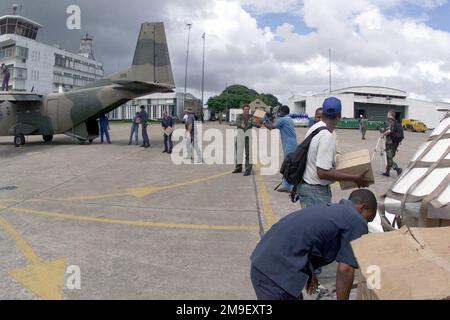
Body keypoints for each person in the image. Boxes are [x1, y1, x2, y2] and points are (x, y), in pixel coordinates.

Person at [250, 189, 377, 300]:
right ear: (362, 208)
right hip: (273, 275)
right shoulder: (356, 220)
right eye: (368, 219)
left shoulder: (333, 211)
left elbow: (306, 239)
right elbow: (345, 270)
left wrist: (309, 272)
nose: (365, 224)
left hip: (265, 261)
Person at [298, 97, 370, 208]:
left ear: (324, 113)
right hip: (316, 192)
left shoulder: (314, 128)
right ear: (339, 115)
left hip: (307, 187)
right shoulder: (327, 136)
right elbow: (322, 173)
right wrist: (354, 177)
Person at [264, 105, 298, 192]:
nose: (279, 113)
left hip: (289, 145)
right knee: (288, 165)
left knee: (289, 165)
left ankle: (290, 186)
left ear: (283, 111)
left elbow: (271, 127)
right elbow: (274, 124)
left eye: (279, 112)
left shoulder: (282, 120)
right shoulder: (289, 119)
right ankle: (287, 185)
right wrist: (268, 120)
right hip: (292, 144)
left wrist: (264, 122)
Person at [233, 104, 254, 176]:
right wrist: (242, 125)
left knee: (248, 154)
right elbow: (237, 123)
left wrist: (259, 121)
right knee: (239, 153)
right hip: (240, 137)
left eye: (248, 109)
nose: (247, 110)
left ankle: (248, 170)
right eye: (246, 109)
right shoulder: (239, 116)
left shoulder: (252, 117)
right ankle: (238, 168)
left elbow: (258, 125)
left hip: (248, 137)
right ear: (243, 110)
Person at [381, 111, 403, 177]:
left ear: (390, 115)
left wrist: (383, 134)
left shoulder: (390, 121)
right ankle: (387, 171)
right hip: (395, 142)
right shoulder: (396, 122)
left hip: (390, 142)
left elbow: (389, 131)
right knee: (389, 157)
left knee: (389, 157)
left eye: (388, 114)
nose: (387, 115)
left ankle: (397, 169)